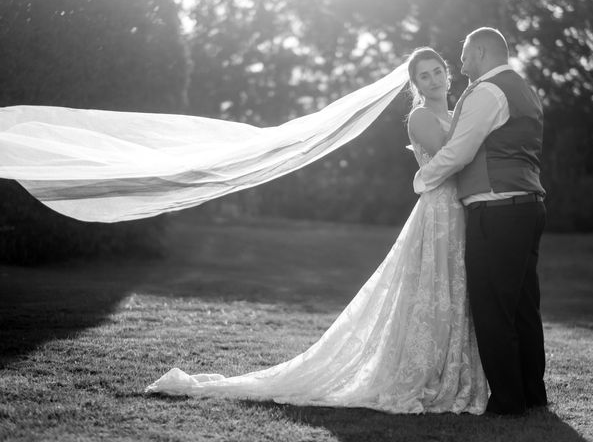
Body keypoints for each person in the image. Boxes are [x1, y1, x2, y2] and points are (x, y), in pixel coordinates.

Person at [145, 47, 489, 415]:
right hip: (438, 212)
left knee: (453, 290)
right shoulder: (421, 116)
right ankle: (421, 374)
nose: (434, 79)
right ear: (415, 84)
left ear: (448, 74)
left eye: (438, 71)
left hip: (460, 210)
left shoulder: (455, 113)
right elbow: (453, 158)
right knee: (430, 291)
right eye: (425, 75)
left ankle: (449, 369)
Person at [414, 27, 548, 415]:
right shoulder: (523, 89)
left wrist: (421, 178)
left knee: (492, 307)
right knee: (523, 305)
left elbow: (459, 151)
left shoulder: (488, 92)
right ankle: (531, 394)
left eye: (465, 56)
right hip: (528, 204)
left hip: (497, 208)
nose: (460, 64)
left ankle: (508, 401)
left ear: (482, 52)